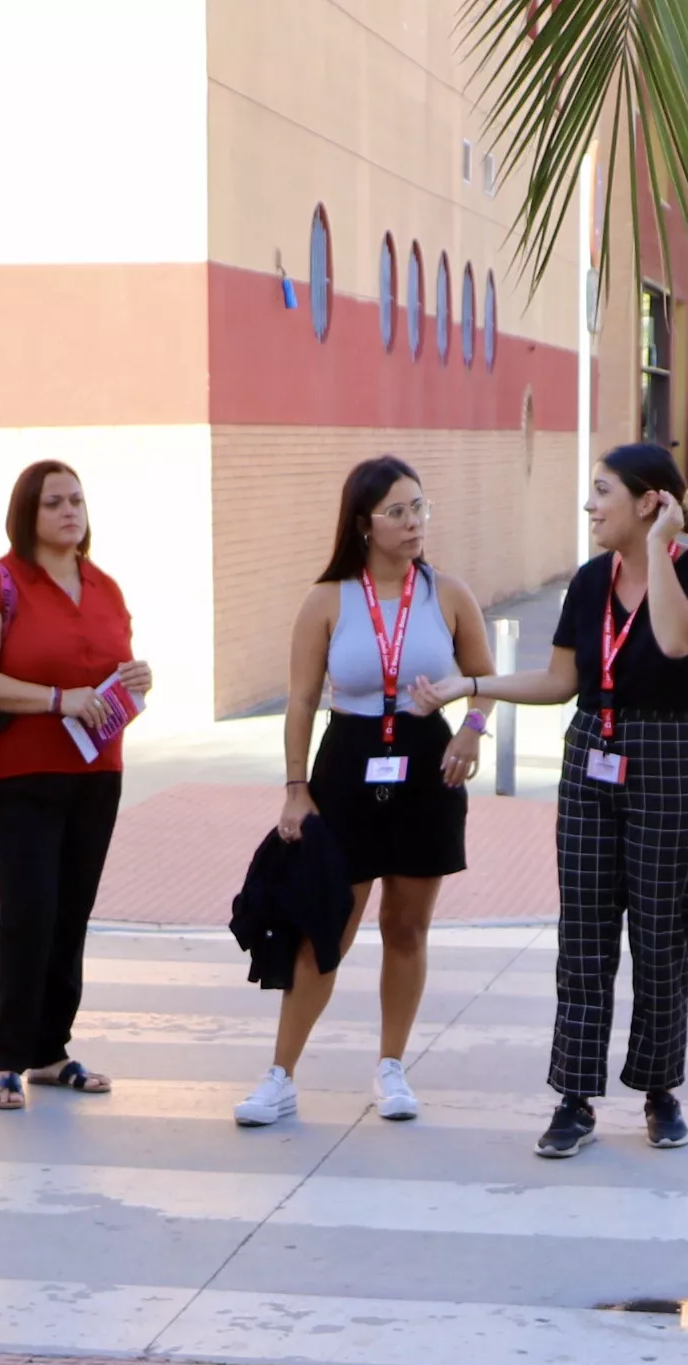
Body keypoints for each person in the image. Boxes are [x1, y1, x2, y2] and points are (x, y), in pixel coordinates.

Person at [430, 440, 688, 1156]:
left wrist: (659, 550)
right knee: (584, 937)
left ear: (650, 502)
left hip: (673, 758)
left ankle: (660, 1091)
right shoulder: (590, 582)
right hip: (593, 752)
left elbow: (677, 638)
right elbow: (560, 680)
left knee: (661, 937)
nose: (590, 505)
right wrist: (471, 687)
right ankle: (575, 1096)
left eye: (603, 492)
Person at [242, 458, 491, 1128]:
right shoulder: (327, 600)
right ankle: (280, 1075)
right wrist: (295, 789)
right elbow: (299, 701)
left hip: (427, 766)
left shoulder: (449, 593)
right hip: (347, 765)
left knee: (406, 928)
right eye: (398, 512)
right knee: (325, 927)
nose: (414, 524)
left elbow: (484, 680)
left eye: (420, 508)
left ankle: (391, 1068)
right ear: (363, 523)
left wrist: (469, 729)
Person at [0, 459, 144, 1109]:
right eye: (54, 501)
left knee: (70, 911)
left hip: (96, 771)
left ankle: (52, 1052)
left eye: (77, 500)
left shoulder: (105, 586)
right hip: (19, 773)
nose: (69, 511)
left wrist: (132, 684)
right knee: (29, 908)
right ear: (26, 513)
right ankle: (9, 1056)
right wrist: (58, 699)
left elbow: (109, 673)